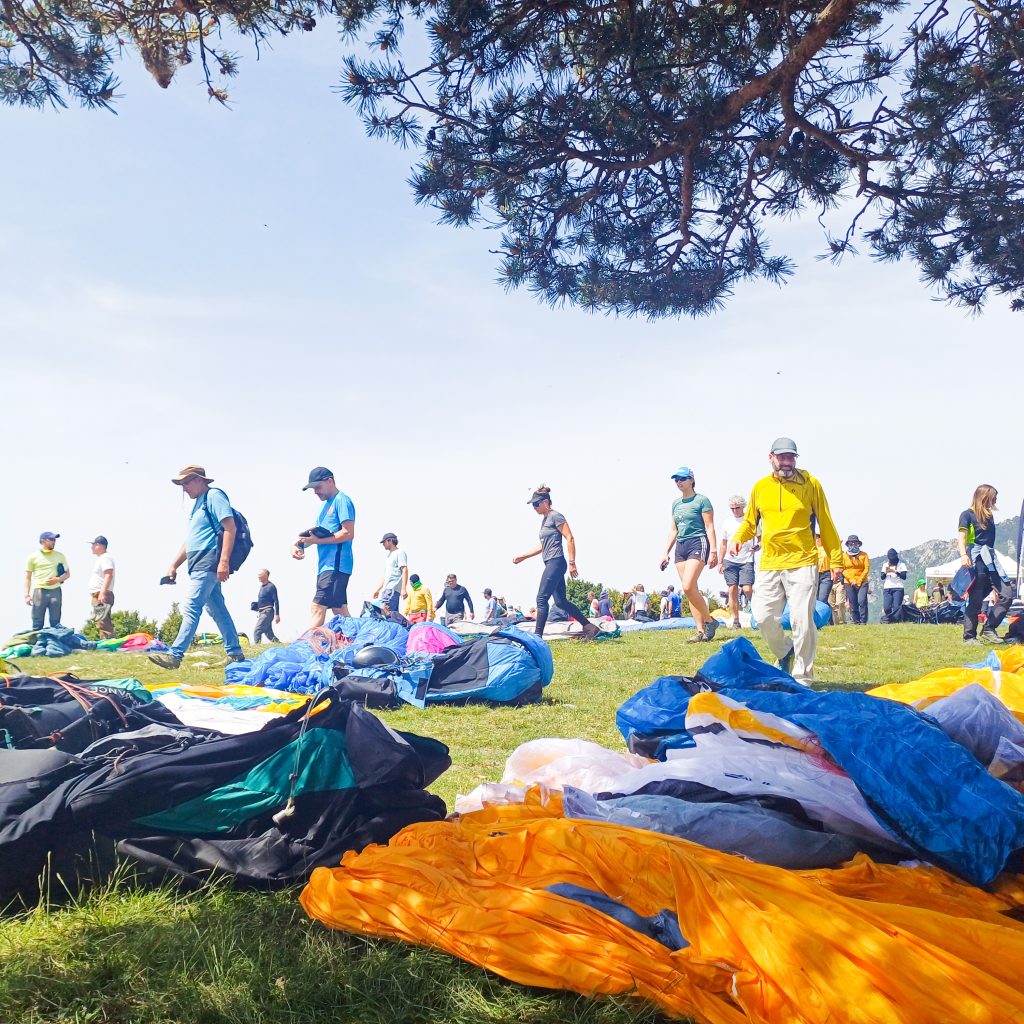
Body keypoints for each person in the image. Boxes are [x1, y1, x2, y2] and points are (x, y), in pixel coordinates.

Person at [729, 437, 842, 684]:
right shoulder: (760, 487)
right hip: (770, 562)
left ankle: (803, 678)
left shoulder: (811, 484)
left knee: (802, 619)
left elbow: (826, 521)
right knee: (762, 618)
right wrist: (739, 537)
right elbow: (750, 522)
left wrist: (836, 560)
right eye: (782, 457)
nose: (787, 462)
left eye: (791, 457)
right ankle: (784, 651)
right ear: (771, 458)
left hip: (803, 560)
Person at [150, 465, 243, 670]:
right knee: (217, 609)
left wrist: (224, 561)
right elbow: (191, 540)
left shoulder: (214, 496)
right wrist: (174, 565)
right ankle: (235, 653)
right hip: (197, 562)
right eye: (181, 484)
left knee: (192, 606)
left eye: (186, 483)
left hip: (208, 561)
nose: (184, 488)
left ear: (200, 479)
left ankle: (175, 656)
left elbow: (230, 527)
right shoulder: (197, 505)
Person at [513, 485, 599, 639]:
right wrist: (523, 557)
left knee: (541, 598)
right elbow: (543, 545)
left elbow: (570, 537)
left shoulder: (555, 516)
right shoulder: (545, 520)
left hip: (556, 562)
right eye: (532, 505)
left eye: (536, 504)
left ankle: (537, 637)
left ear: (545, 502)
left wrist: (572, 562)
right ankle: (589, 627)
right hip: (551, 563)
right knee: (560, 602)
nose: (534, 508)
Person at [660, 466, 718, 643]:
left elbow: (709, 527)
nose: (679, 482)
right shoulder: (676, 504)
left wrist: (714, 550)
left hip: (697, 542)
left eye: (682, 479)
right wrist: (665, 552)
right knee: (691, 590)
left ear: (691, 479)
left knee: (687, 586)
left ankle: (710, 621)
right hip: (681, 546)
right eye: (676, 479)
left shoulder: (702, 501)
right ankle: (700, 631)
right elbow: (673, 529)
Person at [292, 467, 356, 626]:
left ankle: (306, 647)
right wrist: (298, 545)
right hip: (326, 566)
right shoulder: (324, 507)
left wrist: (317, 541)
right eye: (313, 488)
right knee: (339, 610)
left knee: (317, 607)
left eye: (318, 487)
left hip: (336, 565)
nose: (315, 492)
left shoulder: (342, 500)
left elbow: (348, 533)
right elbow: (318, 534)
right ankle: (359, 642)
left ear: (330, 481)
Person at [958, 484, 1015, 643]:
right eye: (993, 497)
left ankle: (989, 628)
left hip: (991, 559)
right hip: (975, 559)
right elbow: (961, 537)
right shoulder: (967, 515)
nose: (996, 500)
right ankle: (969, 636)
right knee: (975, 600)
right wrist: (963, 555)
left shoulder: (989, 516)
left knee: (1007, 594)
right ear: (985, 497)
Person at [719, 494, 755, 629]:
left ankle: (759, 613)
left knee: (747, 589)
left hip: (746, 559)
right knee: (732, 589)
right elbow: (723, 543)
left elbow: (761, 538)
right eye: (732, 508)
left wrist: (757, 546)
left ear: (743, 507)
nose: (735, 511)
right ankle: (735, 620)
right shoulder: (727, 522)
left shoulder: (749, 521)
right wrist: (720, 562)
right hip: (730, 560)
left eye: (737, 508)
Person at [25, 531, 70, 630]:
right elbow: (28, 577)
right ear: (43, 541)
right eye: (51, 539)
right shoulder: (33, 557)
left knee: (55, 622)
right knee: (37, 622)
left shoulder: (60, 556)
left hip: (55, 590)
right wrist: (27, 595)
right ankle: (37, 643)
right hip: (40, 591)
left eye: (54, 539)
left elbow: (68, 574)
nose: (54, 541)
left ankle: (55, 643)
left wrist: (58, 579)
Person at [87, 536, 115, 639]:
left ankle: (107, 645)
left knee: (104, 623)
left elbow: (108, 574)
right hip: (99, 593)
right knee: (101, 621)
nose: (92, 547)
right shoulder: (101, 558)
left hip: (101, 593)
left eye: (93, 545)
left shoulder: (105, 558)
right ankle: (106, 643)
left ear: (99, 545)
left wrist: (102, 593)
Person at [373, 533, 408, 613]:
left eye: (384, 542)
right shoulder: (389, 556)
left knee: (383, 610)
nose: (383, 545)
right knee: (392, 614)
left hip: (392, 588)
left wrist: (403, 589)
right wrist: (378, 589)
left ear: (390, 541)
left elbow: (404, 570)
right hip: (386, 589)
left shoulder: (400, 552)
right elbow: (385, 575)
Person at [841, 535, 870, 625]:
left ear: (858, 544)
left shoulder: (864, 555)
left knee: (861, 600)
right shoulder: (844, 556)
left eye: (855, 543)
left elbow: (866, 568)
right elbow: (843, 569)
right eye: (851, 543)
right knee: (853, 602)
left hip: (862, 581)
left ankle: (863, 620)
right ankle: (856, 620)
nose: (853, 544)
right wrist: (851, 580)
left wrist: (859, 581)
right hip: (849, 582)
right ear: (848, 544)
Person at [880, 548, 908, 623]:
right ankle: (889, 619)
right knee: (887, 607)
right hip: (887, 588)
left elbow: (904, 576)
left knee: (896, 607)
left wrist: (895, 571)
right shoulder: (885, 565)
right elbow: (882, 577)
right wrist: (886, 572)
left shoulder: (901, 564)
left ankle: (896, 621)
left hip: (898, 588)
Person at [252, 568, 280, 643]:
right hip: (262, 612)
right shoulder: (262, 587)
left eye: (260, 575)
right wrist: (257, 606)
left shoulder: (271, 586)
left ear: (266, 576)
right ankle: (279, 645)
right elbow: (264, 600)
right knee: (269, 634)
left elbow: (276, 601)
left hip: (267, 612)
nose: (258, 576)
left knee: (257, 631)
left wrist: (277, 615)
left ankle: (257, 648)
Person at [815, 534, 834, 616]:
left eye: (818, 538)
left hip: (826, 574)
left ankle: (826, 619)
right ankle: (826, 620)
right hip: (814, 575)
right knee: (815, 600)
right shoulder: (812, 549)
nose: (817, 540)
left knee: (822, 599)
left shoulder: (827, 549)